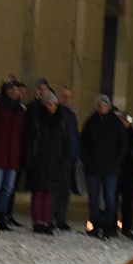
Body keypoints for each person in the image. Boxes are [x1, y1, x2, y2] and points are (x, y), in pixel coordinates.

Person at [80, 93, 128, 238]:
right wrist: (87, 161)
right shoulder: (90, 122)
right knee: (93, 199)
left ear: (108, 106)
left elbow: (123, 144)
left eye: (105, 105)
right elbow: (83, 144)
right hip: (93, 167)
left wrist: (116, 162)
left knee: (110, 199)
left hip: (111, 168)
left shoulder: (116, 123)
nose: (102, 107)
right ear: (96, 107)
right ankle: (95, 226)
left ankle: (109, 227)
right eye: (100, 105)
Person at [25, 87, 71, 234]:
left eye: (54, 104)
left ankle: (46, 221)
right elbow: (30, 142)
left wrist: (64, 162)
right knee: (38, 193)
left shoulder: (61, 123)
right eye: (49, 104)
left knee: (49, 195)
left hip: (54, 164)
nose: (52, 107)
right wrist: (30, 160)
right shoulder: (38, 122)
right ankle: (37, 221)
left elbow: (67, 145)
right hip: (39, 163)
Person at [0, 79, 26, 231]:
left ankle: (2, 216)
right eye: (11, 89)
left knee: (8, 188)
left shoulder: (21, 111)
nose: (14, 92)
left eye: (16, 90)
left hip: (12, 156)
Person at [53, 86, 80, 231]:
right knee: (54, 190)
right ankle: (51, 217)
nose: (67, 99)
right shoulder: (55, 113)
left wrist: (75, 154)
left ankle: (61, 219)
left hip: (70, 158)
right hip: (57, 158)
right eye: (64, 96)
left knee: (65, 191)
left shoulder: (72, 116)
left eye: (69, 96)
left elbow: (75, 137)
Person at [115, 110, 133, 237]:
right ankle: (112, 225)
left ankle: (127, 227)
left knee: (128, 202)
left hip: (128, 172)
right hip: (116, 170)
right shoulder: (114, 132)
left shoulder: (130, 133)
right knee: (113, 200)